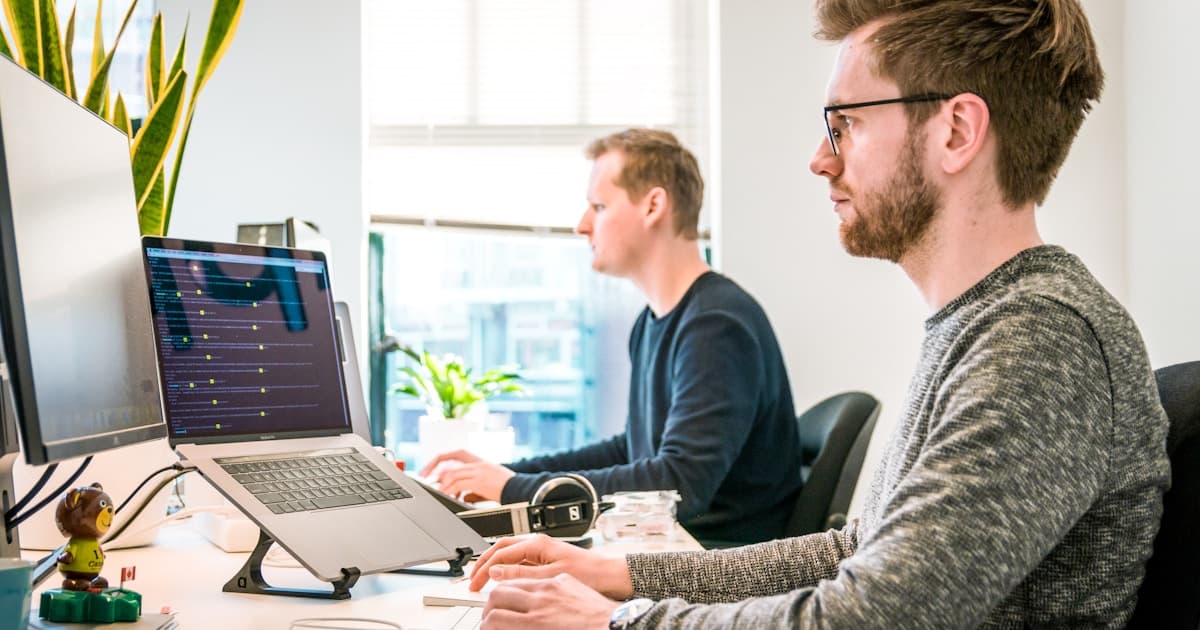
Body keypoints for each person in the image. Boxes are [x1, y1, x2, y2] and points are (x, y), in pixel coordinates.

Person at [462, 1, 1171, 628]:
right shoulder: (984, 324)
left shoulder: (1039, 340)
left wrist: (618, 623)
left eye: (845, 125)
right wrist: (618, 575)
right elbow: (854, 552)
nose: (819, 160)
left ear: (956, 131)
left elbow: (873, 616)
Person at [421, 128, 804, 544]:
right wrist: (511, 474)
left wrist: (513, 490)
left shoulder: (716, 325)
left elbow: (679, 485)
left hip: (715, 564)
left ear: (653, 206)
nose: (581, 225)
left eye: (599, 206)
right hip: (675, 549)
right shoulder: (655, 322)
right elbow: (633, 450)